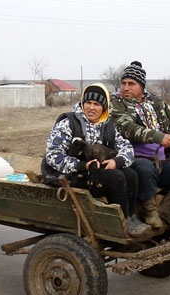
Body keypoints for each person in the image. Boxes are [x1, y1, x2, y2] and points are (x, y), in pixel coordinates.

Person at [42, 83, 151, 238]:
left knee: (130, 174)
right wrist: (82, 165)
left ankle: (131, 217)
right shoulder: (68, 124)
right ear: (82, 103)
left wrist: (117, 161)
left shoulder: (107, 126)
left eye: (97, 104)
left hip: (94, 172)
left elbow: (126, 147)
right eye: (88, 103)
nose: (91, 108)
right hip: (69, 174)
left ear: (104, 108)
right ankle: (122, 222)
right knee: (116, 177)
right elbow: (53, 155)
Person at [109, 61, 170, 230]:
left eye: (131, 84)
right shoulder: (116, 103)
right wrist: (158, 137)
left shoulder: (156, 102)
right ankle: (150, 213)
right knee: (145, 166)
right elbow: (127, 127)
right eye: (124, 83)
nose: (125, 88)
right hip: (132, 161)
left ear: (141, 86)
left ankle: (168, 210)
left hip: (162, 162)